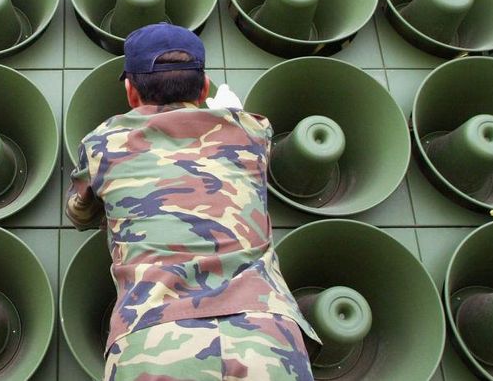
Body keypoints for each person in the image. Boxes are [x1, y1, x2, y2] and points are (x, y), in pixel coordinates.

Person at [66, 22, 317, 381]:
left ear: (130, 92)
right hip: (267, 341)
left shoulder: (101, 144)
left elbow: (79, 212)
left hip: (153, 342)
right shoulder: (253, 132)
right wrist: (236, 116)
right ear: (203, 87)